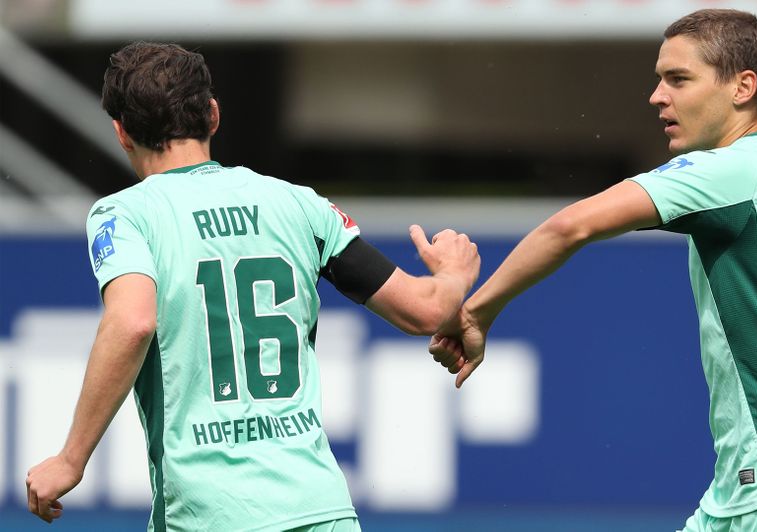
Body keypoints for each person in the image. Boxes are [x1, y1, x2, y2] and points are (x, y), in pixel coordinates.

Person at [430, 9, 757, 531]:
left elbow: (570, 228)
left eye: (678, 79)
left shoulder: (730, 170)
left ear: (743, 87)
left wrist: (477, 312)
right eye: (659, 79)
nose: (657, 96)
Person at [25, 42, 480, 531]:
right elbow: (424, 311)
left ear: (121, 133)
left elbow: (133, 321)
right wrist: (453, 274)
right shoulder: (298, 205)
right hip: (320, 510)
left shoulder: (125, 214)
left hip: (210, 514)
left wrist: (71, 459)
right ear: (213, 115)